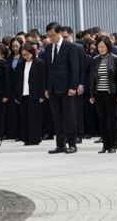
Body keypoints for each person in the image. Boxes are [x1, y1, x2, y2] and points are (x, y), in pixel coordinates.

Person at [43, 22, 80, 155]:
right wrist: (47, 88)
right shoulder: (48, 49)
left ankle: (72, 144)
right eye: (49, 36)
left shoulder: (69, 47)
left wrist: (73, 86)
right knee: (57, 118)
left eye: (53, 35)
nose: (51, 38)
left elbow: (74, 68)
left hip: (66, 87)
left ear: (59, 33)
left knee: (69, 117)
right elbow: (47, 69)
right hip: (53, 89)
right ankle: (60, 144)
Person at [89, 36, 117, 154]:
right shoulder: (95, 59)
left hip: (111, 93)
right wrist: (92, 94)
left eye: (102, 47)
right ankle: (105, 145)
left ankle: (113, 145)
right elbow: (92, 79)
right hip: (99, 93)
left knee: (112, 120)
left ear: (108, 47)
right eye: (98, 47)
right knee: (102, 119)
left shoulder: (115, 59)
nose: (100, 49)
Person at [14, 43, 46, 145]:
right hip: (23, 94)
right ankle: (26, 138)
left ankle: (35, 138)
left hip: (35, 94)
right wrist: (17, 95)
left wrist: (42, 95)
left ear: (32, 53)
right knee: (24, 117)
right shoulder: (20, 64)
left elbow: (43, 80)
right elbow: (18, 80)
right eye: (23, 55)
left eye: (27, 54)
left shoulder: (40, 63)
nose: (25, 56)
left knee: (34, 118)